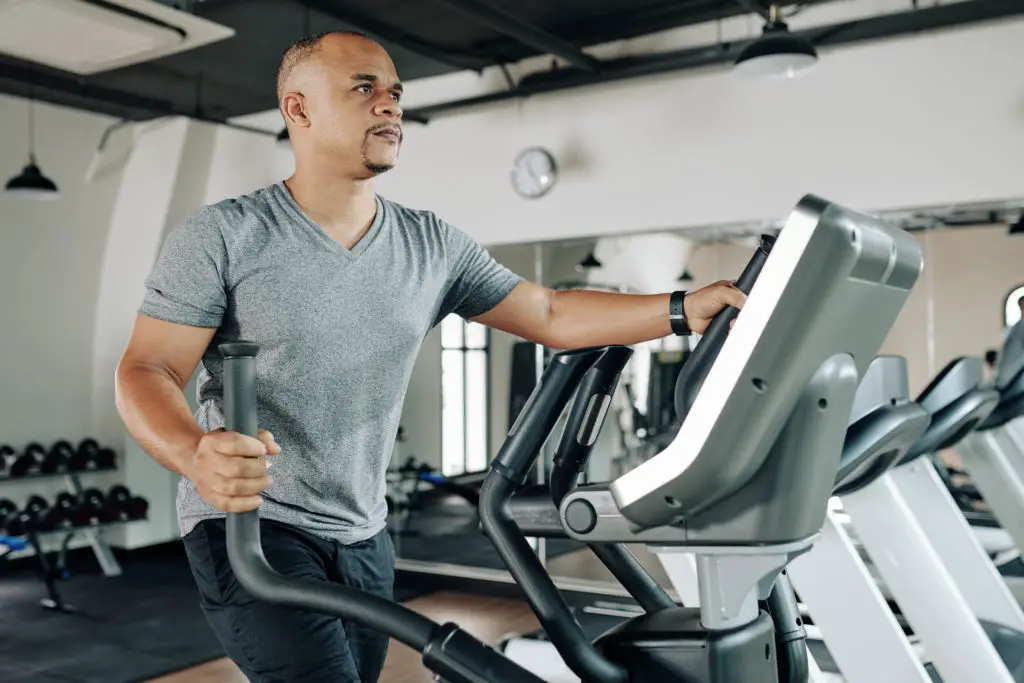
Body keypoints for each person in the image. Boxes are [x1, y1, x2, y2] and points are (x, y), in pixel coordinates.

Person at [113, 31, 747, 683]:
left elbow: (549, 313)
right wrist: (195, 454)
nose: (390, 107)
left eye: (395, 93)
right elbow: (146, 369)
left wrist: (678, 309)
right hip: (251, 526)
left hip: (363, 529)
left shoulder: (431, 244)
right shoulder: (224, 235)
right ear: (298, 110)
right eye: (365, 89)